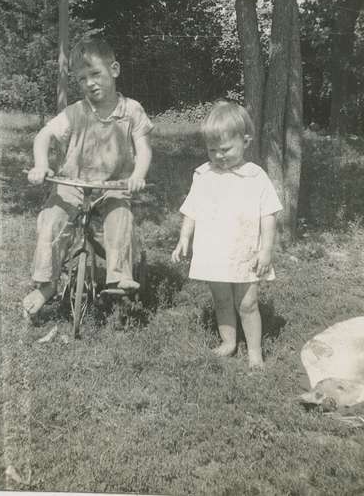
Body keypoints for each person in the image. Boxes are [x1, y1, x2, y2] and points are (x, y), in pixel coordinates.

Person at [23, 36, 153, 315]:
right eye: (82, 79)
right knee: (51, 220)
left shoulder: (131, 111)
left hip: (113, 185)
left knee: (120, 215)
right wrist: (41, 165)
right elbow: (43, 136)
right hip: (73, 183)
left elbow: (143, 149)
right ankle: (46, 284)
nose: (90, 83)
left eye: (95, 74)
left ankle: (119, 274)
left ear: (114, 70)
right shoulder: (75, 112)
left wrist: (138, 175)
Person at [171, 100, 282, 368]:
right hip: (214, 252)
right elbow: (192, 210)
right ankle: (229, 342)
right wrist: (184, 238)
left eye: (225, 149)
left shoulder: (256, 177)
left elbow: (269, 215)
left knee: (247, 303)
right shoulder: (204, 174)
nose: (219, 156)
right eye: (212, 150)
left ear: (245, 141)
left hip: (246, 252)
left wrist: (266, 250)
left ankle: (255, 352)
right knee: (221, 301)